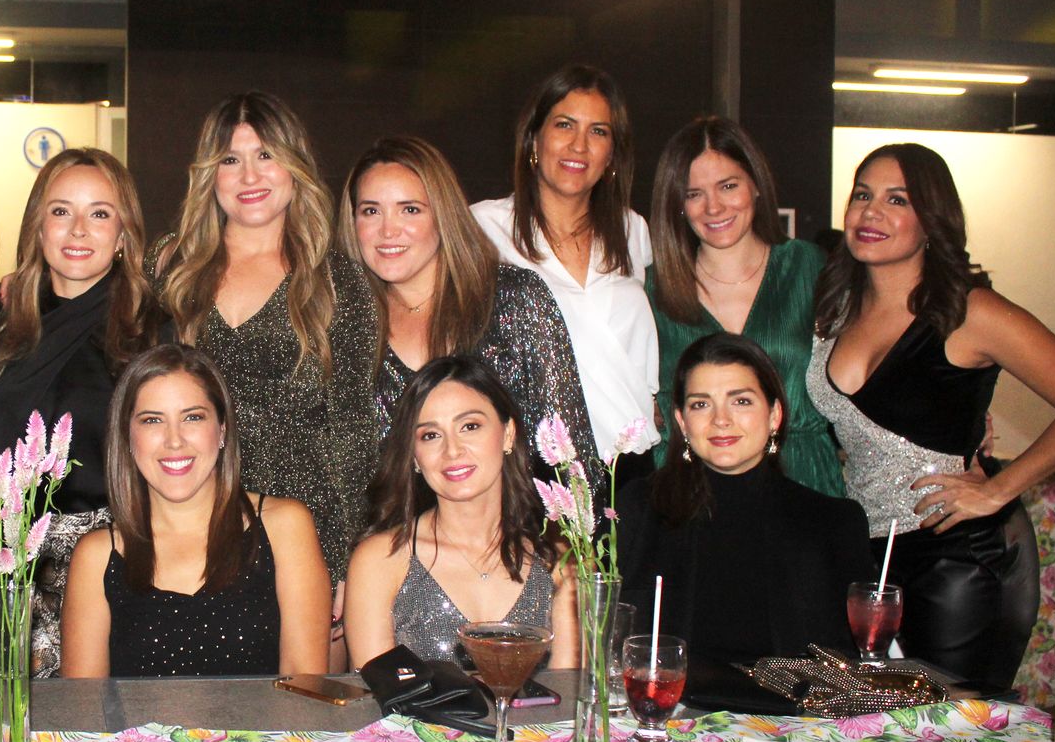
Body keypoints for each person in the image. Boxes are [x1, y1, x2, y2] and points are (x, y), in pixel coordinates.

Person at [806, 144, 1055, 692]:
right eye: (862, 195)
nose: (871, 212)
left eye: (897, 200)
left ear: (932, 219)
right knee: (870, 719)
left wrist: (998, 490)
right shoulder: (837, 306)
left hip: (955, 557)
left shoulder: (969, 311)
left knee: (951, 724)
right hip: (866, 552)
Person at [149, 93, 378, 585]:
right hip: (193, 522)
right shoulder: (171, 269)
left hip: (310, 534)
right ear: (210, 174)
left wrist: (346, 565)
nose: (249, 176)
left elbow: (355, 433)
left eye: (266, 155)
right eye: (231, 160)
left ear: (295, 166)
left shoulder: (338, 281)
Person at [0, 148, 159, 676]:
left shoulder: (153, 333)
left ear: (124, 234)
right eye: (61, 211)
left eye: (99, 213)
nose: (78, 229)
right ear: (37, 227)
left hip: (111, 564)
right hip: (6, 562)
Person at [59, 345, 332, 679]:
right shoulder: (97, 556)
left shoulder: (285, 527)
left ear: (222, 429)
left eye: (192, 417)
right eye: (152, 420)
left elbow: (305, 685)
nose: (174, 440)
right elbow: (85, 705)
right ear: (127, 437)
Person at [338, 135, 597, 472]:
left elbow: (570, 452)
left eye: (410, 209)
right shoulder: (347, 324)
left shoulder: (512, 296)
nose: (388, 230)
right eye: (371, 211)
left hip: (519, 506)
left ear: (443, 215)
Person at [619, 334, 867, 667]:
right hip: (672, 699)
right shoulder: (639, 510)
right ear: (681, 421)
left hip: (792, 702)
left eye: (741, 401)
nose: (721, 419)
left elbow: (847, 661)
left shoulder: (832, 523)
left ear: (775, 415)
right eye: (701, 404)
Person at [471, 64, 659, 478]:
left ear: (612, 153)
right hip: (532, 470)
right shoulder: (483, 229)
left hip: (631, 466)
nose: (579, 145)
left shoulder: (633, 231)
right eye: (564, 125)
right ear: (534, 139)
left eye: (598, 131)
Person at [645, 116, 845, 496]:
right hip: (693, 494)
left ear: (755, 184)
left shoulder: (810, 269)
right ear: (678, 205)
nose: (713, 207)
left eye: (728, 186)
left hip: (802, 483)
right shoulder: (651, 291)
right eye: (694, 194)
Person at [344, 356, 577, 671]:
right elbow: (377, 693)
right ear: (414, 456)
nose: (452, 450)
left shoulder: (559, 561)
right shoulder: (382, 560)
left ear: (508, 434)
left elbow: (569, 695)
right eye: (431, 435)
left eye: (470, 426)